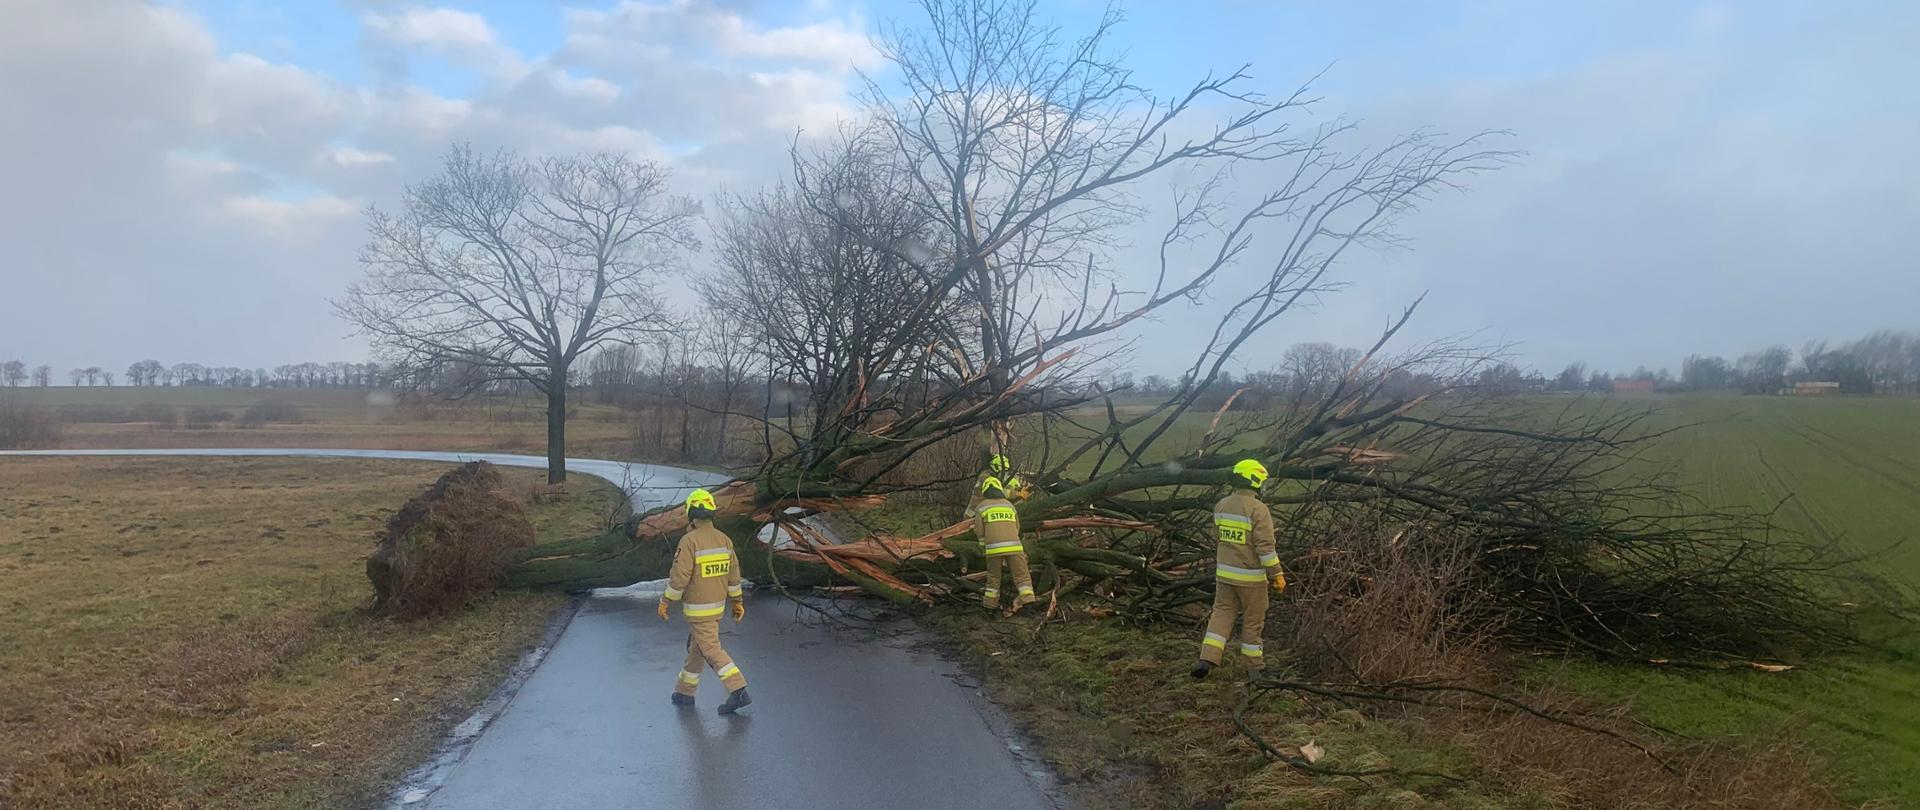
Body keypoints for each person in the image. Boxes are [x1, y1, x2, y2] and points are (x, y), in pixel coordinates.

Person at [659, 488, 752, 714]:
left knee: (710, 648)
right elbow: (734, 575)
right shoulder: (724, 540)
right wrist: (737, 601)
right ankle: (684, 692)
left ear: (691, 512)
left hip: (698, 610)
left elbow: (679, 576)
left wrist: (665, 600)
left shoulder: (690, 541)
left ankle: (738, 689)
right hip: (716, 608)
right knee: (697, 649)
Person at [1192, 459, 1287, 679]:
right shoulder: (1258, 509)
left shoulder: (1222, 505)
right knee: (1253, 622)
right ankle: (1254, 669)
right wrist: (1277, 575)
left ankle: (1206, 659)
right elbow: (1265, 548)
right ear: (1254, 480)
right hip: (1252, 580)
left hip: (1225, 575)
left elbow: (1218, 538)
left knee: (1221, 615)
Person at [974, 476, 1036, 612]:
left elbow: (979, 531)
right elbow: (1017, 527)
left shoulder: (981, 507)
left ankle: (990, 607)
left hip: (993, 549)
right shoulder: (1009, 506)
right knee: (1022, 575)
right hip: (1014, 546)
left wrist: (984, 547)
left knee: (994, 578)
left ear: (985, 491)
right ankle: (1029, 604)